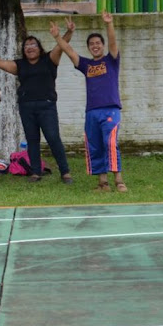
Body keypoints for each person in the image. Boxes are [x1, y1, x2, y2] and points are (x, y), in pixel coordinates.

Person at [0, 26, 75, 184]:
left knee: (53, 138)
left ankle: (65, 172)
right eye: (26, 46)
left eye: (33, 45)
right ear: (23, 50)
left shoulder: (49, 60)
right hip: (26, 106)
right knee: (32, 140)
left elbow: (61, 45)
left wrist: (69, 32)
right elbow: (0, 63)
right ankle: (36, 172)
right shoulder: (20, 64)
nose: (30, 48)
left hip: (47, 105)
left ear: (39, 48)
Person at [51, 13, 126, 192]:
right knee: (95, 145)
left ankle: (119, 181)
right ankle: (103, 184)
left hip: (110, 110)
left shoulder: (111, 60)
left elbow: (113, 43)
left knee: (110, 143)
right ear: (88, 48)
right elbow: (68, 51)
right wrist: (57, 36)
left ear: (103, 46)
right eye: (91, 44)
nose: (95, 46)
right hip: (91, 111)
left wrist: (109, 24)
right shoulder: (86, 65)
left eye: (98, 43)